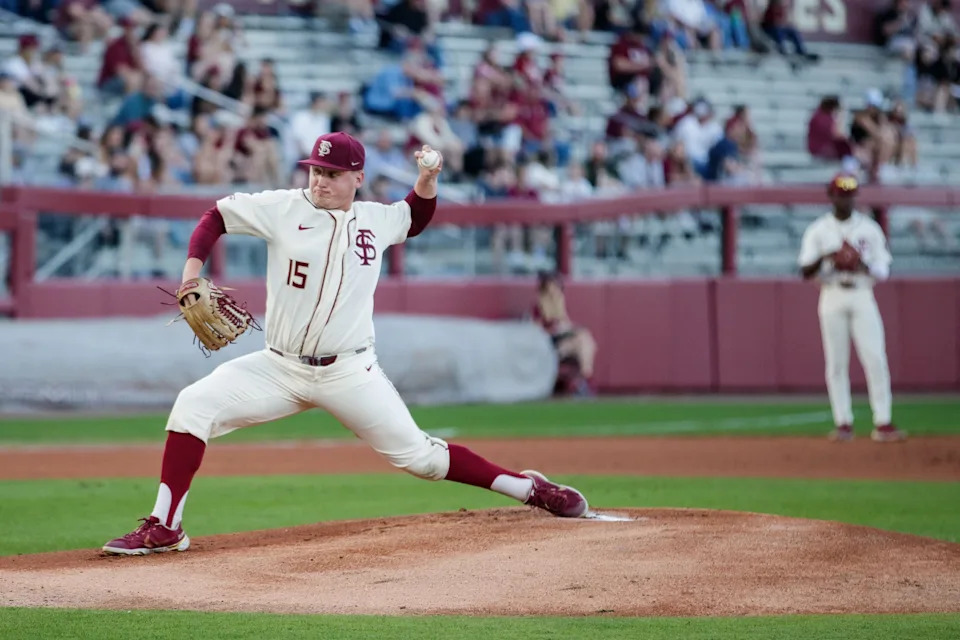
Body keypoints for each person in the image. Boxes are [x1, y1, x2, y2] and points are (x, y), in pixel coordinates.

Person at [101, 131, 590, 555]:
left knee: (422, 459)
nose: (319, 180)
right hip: (279, 366)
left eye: (332, 173)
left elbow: (414, 217)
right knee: (192, 405)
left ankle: (528, 488)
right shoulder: (283, 207)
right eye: (316, 169)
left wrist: (428, 178)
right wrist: (191, 274)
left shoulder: (376, 219)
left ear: (357, 177)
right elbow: (216, 217)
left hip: (349, 371)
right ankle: (165, 526)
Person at [797, 174, 905, 444]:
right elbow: (804, 269)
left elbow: (883, 270)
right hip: (831, 293)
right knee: (836, 362)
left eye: (850, 194)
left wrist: (860, 265)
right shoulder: (819, 230)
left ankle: (883, 421)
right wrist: (829, 257)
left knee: (875, 358)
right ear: (831, 196)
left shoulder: (868, 228)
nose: (846, 199)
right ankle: (843, 422)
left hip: (861, 292)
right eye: (841, 194)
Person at [533, 271, 597, 396]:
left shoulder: (559, 303)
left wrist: (569, 329)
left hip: (565, 342)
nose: (554, 290)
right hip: (550, 346)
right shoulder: (538, 308)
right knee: (583, 341)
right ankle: (586, 382)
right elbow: (538, 333)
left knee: (585, 341)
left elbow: (565, 324)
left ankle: (584, 381)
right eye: (551, 286)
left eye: (556, 286)